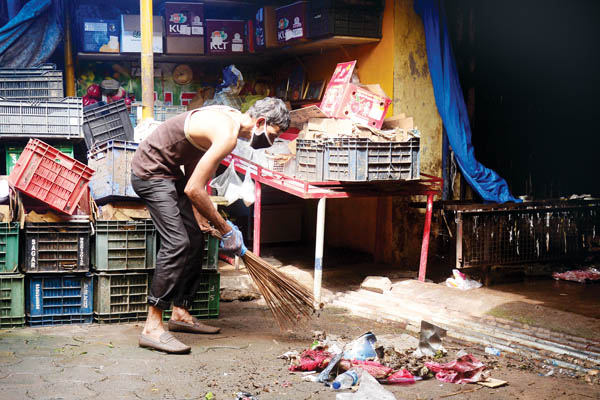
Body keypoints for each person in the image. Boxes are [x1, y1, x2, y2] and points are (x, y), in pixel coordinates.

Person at [131, 97, 290, 354]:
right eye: (274, 134)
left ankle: (180, 313)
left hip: (171, 172)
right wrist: (226, 228)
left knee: (195, 235)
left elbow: (195, 159)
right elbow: (194, 188)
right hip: (150, 172)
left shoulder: (231, 120)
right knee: (177, 242)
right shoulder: (227, 133)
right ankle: (152, 327)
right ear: (260, 122)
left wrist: (198, 212)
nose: (271, 141)